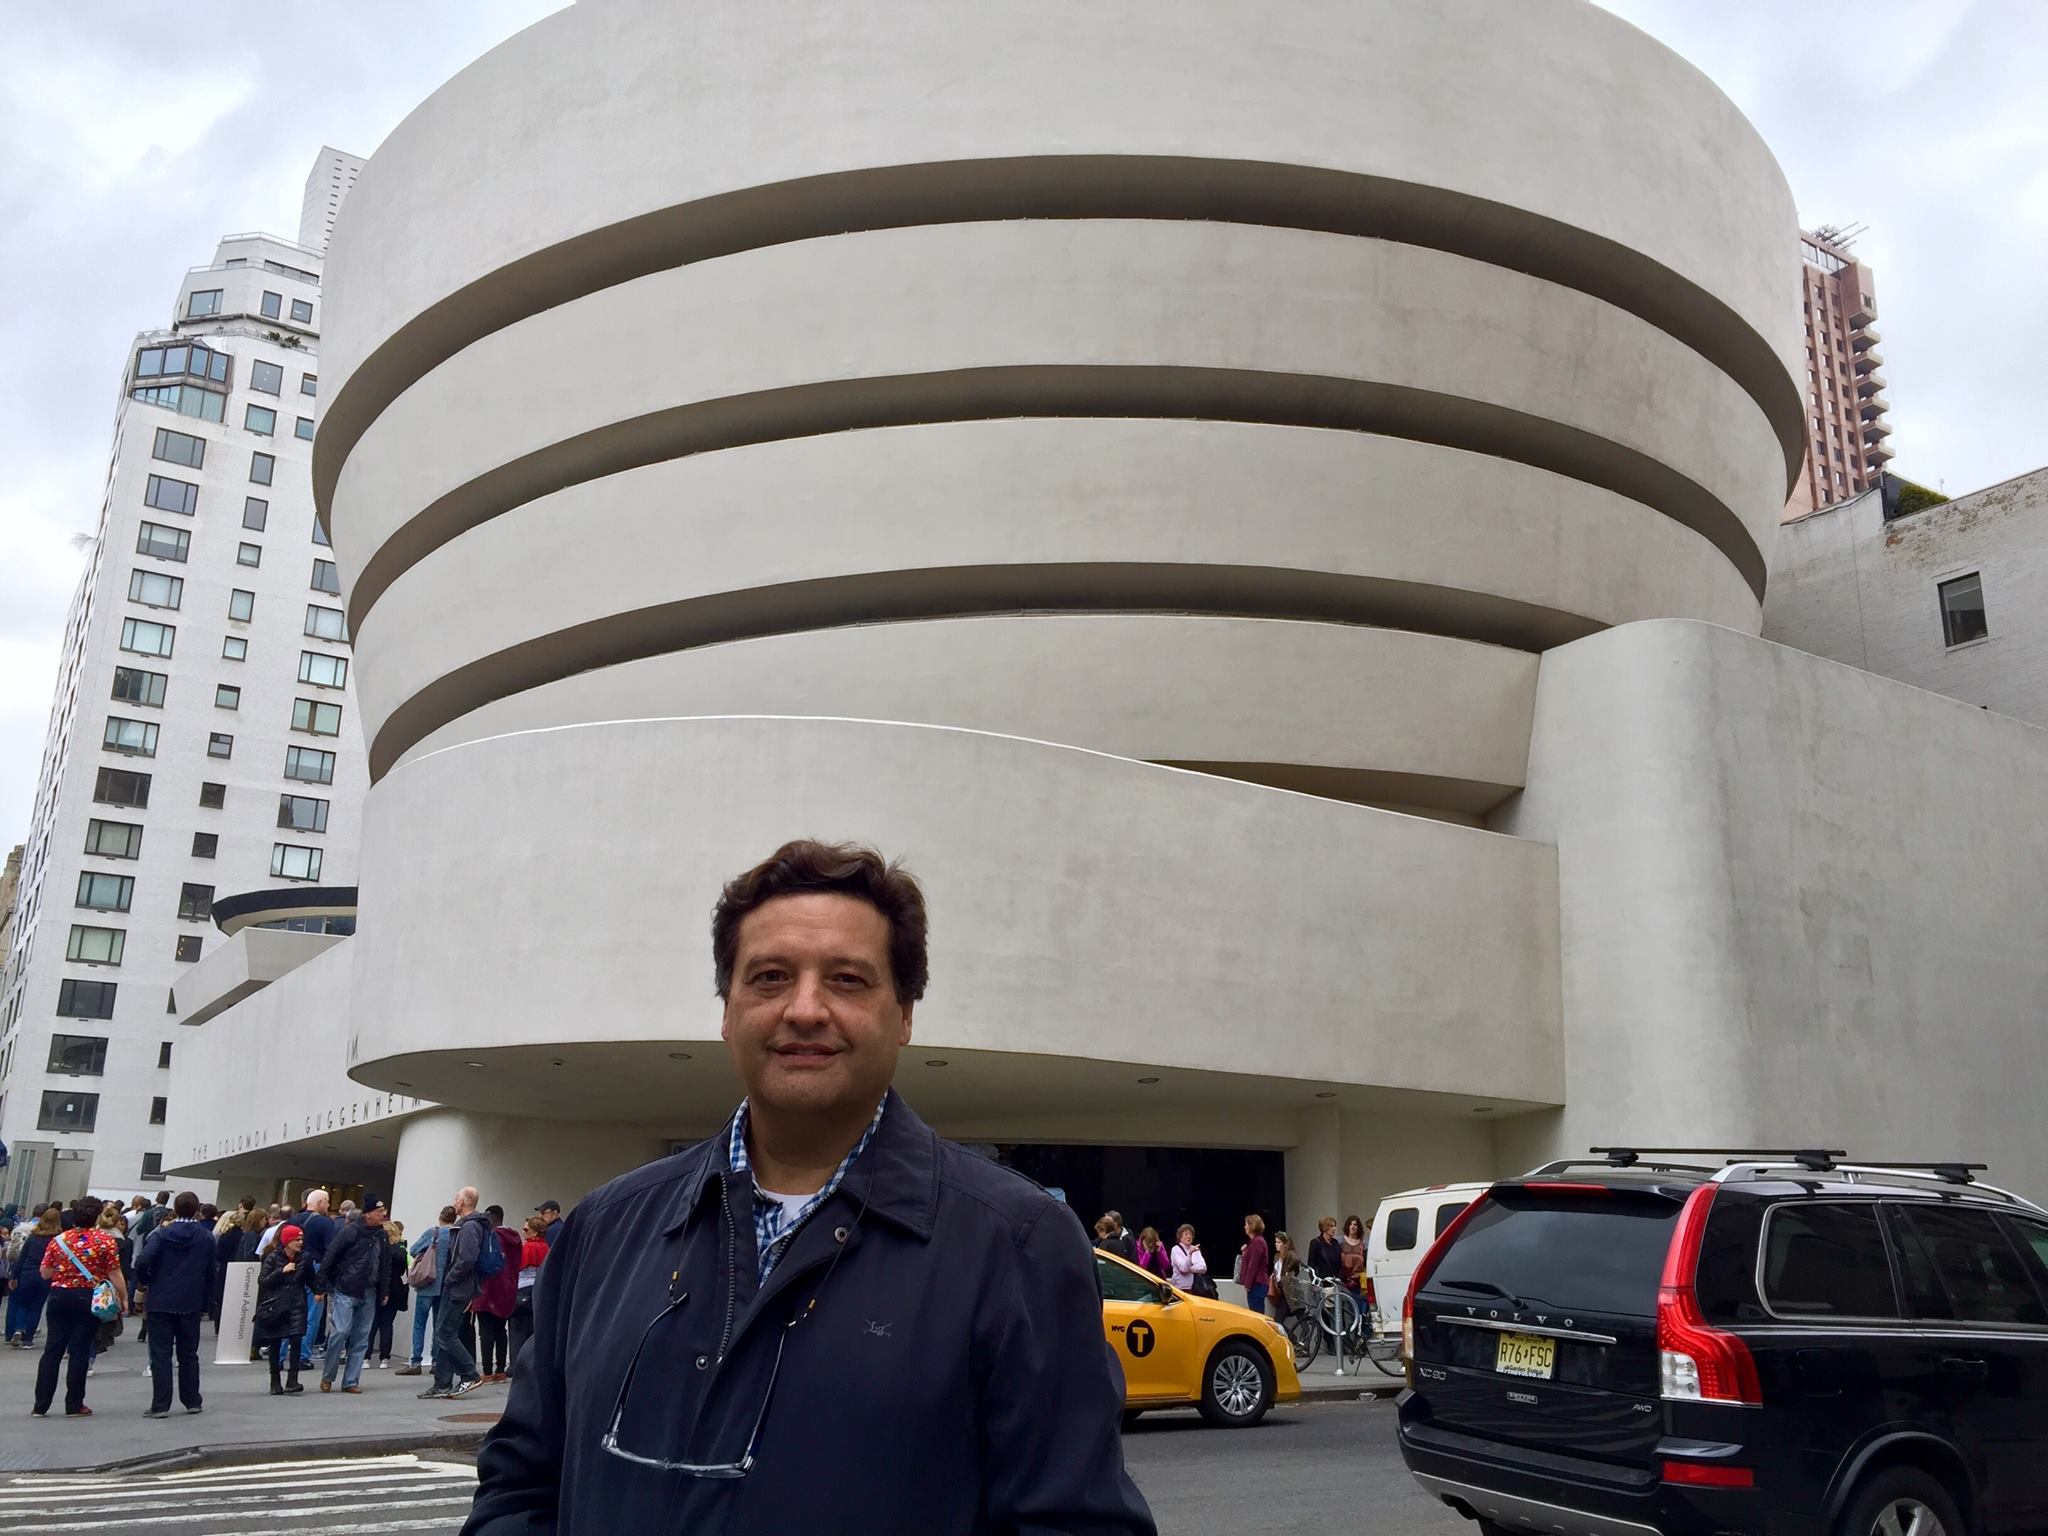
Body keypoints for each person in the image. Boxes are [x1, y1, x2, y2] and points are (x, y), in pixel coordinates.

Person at [467, 839, 1151, 1533]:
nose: (804, 1009)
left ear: (905, 1014)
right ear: (727, 1010)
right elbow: (520, 1490)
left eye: (848, 980)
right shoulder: (604, 1230)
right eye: (768, 977)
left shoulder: (1018, 1247)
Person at [33, 1195, 127, 1417]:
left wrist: (65, 1272)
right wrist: (123, 1298)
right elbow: (115, 1272)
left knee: (52, 1350)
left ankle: (41, 1405)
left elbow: (45, 1272)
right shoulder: (105, 1241)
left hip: (59, 1295)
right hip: (88, 1297)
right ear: (96, 1216)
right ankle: (74, 1403)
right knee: (80, 1350)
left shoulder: (59, 1240)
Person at [134, 1191, 216, 1418]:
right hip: (191, 1298)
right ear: (197, 1209)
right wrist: (207, 1302)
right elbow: (211, 1272)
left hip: (161, 1297)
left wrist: (146, 1280)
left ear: (176, 1209)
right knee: (188, 1353)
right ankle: (192, 1400)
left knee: (161, 1354)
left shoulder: (162, 1234)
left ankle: (161, 1404)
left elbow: (143, 1259)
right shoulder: (206, 1237)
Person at [318, 1197, 391, 1393]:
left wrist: (384, 1290)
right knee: (340, 1332)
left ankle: (351, 1381)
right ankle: (328, 1375)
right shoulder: (350, 1232)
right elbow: (330, 1256)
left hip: (370, 1290)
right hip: (346, 1288)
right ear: (368, 1214)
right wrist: (322, 1285)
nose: (383, 1214)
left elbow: (385, 1264)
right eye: (379, 1211)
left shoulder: (381, 1236)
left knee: (361, 1338)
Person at [396, 1206, 456, 1376]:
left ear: (440, 1217)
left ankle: (416, 1362)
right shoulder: (456, 1235)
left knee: (420, 1323)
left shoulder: (433, 1232)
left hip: (427, 1284)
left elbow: (414, 1250)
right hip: (445, 1285)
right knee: (439, 1324)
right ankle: (436, 1361)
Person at [469, 1205, 522, 1385]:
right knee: (501, 1330)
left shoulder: (492, 1237)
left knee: (485, 1331)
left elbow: (483, 1261)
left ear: (490, 1217)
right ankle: (500, 1369)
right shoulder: (515, 1238)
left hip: (488, 1287)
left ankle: (487, 1370)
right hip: (508, 1288)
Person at [254, 1224, 309, 1396]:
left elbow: (310, 1278)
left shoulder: (304, 1258)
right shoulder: (273, 1257)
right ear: (287, 1241)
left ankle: (292, 1379)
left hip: (296, 1303)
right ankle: (275, 1380)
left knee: (296, 1338)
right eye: (296, 1240)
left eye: (301, 1239)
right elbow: (263, 1281)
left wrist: (319, 1291)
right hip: (276, 1304)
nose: (300, 1243)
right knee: (275, 1341)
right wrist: (281, 1271)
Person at [289, 1190, 336, 1369]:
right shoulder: (324, 1222)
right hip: (315, 1267)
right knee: (312, 1313)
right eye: (327, 1202)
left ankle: (282, 1352)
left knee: (291, 1310)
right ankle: (302, 1355)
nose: (328, 1205)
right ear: (320, 1202)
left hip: (293, 1267)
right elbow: (331, 1250)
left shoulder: (293, 1220)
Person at [7, 1207, 58, 1347]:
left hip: (27, 1273)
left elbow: (22, 1258)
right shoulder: (56, 1240)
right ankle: (28, 1339)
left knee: (23, 1304)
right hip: (45, 1275)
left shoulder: (33, 1237)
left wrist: (14, 1277)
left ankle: (18, 1329)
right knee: (36, 1307)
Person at [507, 1216, 547, 1380]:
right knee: (533, 1331)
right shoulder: (546, 1247)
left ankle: (516, 1365)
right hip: (538, 1293)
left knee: (517, 1332)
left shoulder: (527, 1248)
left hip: (522, 1292)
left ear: (535, 1230)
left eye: (526, 1229)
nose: (524, 1232)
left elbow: (517, 1268)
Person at [372, 1219, 410, 1369]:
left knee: (373, 1323)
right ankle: (384, 1358)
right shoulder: (401, 1250)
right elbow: (406, 1269)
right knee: (387, 1324)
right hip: (396, 1288)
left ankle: (366, 1357)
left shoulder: (379, 1249)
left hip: (378, 1287)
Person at [1238, 1214, 1271, 1318]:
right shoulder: (1255, 1242)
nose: (1245, 1227)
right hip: (1256, 1284)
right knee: (1255, 1313)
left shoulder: (1257, 1242)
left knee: (1257, 1315)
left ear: (1252, 1225)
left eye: (1246, 1224)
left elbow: (1253, 1265)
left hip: (1257, 1284)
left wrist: (1248, 1284)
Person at [1268, 1232, 1300, 1323]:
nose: (1276, 1244)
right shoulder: (1277, 1256)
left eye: (1279, 1242)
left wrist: (1288, 1270)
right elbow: (1276, 1271)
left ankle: (1305, 1336)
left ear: (1285, 1244)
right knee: (1278, 1321)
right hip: (1281, 1291)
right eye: (1276, 1242)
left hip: (1291, 1292)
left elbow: (1297, 1259)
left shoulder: (1290, 1255)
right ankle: (1291, 1337)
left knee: (1301, 1318)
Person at [1169, 1223, 1208, 1292]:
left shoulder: (1195, 1249)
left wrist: (1190, 1269)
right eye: (1186, 1234)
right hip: (1180, 1288)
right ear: (1180, 1237)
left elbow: (1203, 1268)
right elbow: (1183, 1269)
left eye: (1191, 1234)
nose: (1189, 1236)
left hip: (1195, 1287)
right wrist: (1189, 1255)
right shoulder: (1176, 1249)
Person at [1307, 1216, 1344, 1284]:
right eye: (1331, 1226)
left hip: (1335, 1282)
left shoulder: (1335, 1242)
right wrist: (1315, 1282)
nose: (1334, 1229)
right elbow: (1311, 1265)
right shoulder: (1316, 1242)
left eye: (1334, 1226)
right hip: (1322, 1282)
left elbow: (1341, 1262)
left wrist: (1339, 1278)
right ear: (1325, 1228)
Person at [1340, 1214, 1368, 1293]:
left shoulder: (1363, 1244)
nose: (1352, 1227)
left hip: (1358, 1281)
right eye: (1350, 1224)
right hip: (1343, 1280)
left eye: (1355, 1225)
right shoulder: (1340, 1241)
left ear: (1358, 1227)